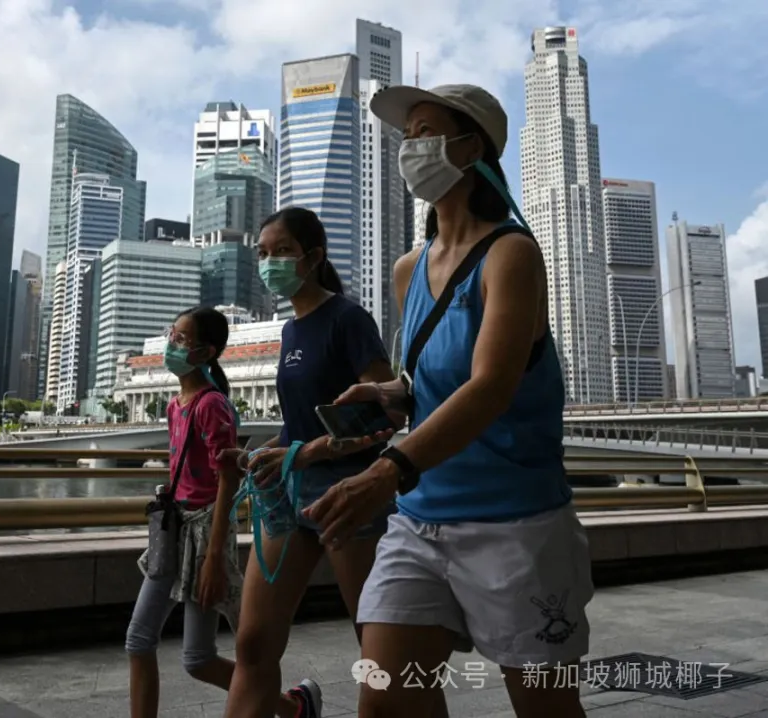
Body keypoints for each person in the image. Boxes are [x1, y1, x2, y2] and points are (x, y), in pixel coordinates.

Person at [303, 84, 594, 718]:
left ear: (471, 147)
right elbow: (428, 381)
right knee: (384, 700)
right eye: (406, 136)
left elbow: (490, 386)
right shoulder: (410, 268)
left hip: (515, 526)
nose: (410, 148)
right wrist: (390, 393)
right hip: (420, 518)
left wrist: (386, 471)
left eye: (425, 131)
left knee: (544, 707)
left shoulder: (511, 255)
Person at [221, 207, 398, 718]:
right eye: (262, 253)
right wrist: (267, 452)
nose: (268, 262)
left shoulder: (347, 319)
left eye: (280, 251)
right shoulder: (291, 332)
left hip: (349, 491)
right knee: (253, 644)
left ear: (313, 257)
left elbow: (381, 413)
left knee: (380, 644)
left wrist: (308, 451)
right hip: (288, 495)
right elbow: (302, 424)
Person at [125, 306, 303, 718]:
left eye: (181, 340)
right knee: (149, 642)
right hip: (174, 532)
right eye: (172, 335)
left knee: (195, 657)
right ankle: (291, 709)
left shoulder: (211, 405)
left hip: (204, 533)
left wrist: (213, 560)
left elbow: (226, 482)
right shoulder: (175, 405)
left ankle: (289, 707)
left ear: (206, 353)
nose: (172, 345)